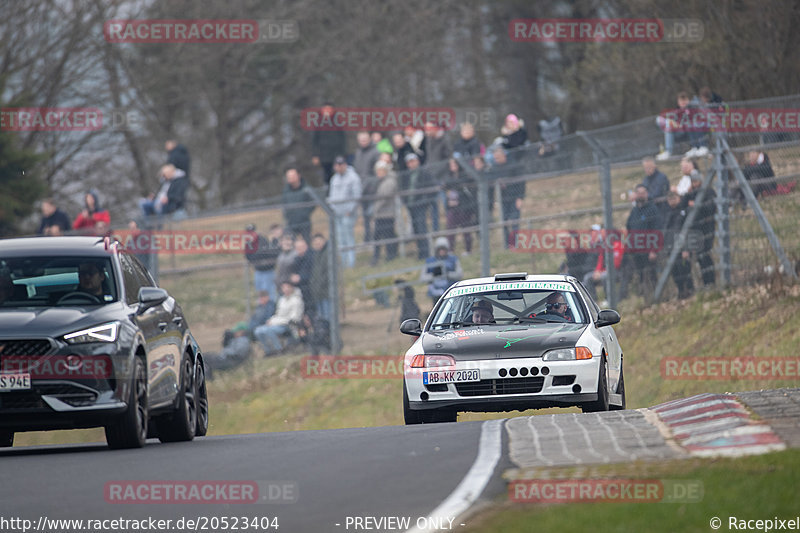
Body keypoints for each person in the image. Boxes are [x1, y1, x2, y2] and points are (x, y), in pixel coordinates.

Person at [621, 184, 661, 300]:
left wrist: (653, 250)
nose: (641, 195)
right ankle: (643, 295)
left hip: (648, 249)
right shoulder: (635, 211)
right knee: (640, 274)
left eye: (643, 192)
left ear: (647, 194)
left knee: (651, 273)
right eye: (639, 193)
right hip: (636, 250)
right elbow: (629, 227)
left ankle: (656, 294)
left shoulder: (652, 209)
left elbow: (656, 231)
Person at [328, 155, 362, 268]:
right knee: (340, 238)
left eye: (341, 164)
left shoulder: (353, 178)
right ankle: (343, 262)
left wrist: (350, 209)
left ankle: (351, 262)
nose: (339, 167)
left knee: (348, 237)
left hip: (348, 213)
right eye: (337, 165)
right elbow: (332, 195)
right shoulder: (334, 179)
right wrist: (332, 209)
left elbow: (357, 195)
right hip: (337, 214)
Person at [401, 152, 437, 259]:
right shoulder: (406, 175)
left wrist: (424, 201)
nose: (410, 164)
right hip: (411, 206)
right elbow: (404, 189)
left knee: (422, 229)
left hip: (421, 206)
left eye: (412, 161)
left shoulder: (424, 173)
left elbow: (432, 189)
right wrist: (406, 202)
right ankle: (421, 252)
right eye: (408, 162)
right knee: (416, 230)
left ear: (417, 161)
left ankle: (425, 252)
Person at [254, 281, 304, 356]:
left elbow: (294, 318)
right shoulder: (282, 299)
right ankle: (268, 351)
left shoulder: (296, 300)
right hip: (278, 323)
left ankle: (279, 350)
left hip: (289, 325)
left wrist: (275, 322)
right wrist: (271, 320)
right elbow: (278, 314)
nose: (285, 289)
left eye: (287, 287)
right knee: (258, 331)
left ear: (291, 288)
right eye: (283, 287)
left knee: (268, 330)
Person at [488, 147, 525, 248]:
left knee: (514, 221)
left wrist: (520, 198)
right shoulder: (495, 168)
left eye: (498, 158)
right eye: (495, 158)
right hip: (503, 199)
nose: (497, 160)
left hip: (514, 198)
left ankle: (516, 244)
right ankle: (506, 244)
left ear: (504, 155)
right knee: (504, 222)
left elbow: (521, 182)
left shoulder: (513, 165)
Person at [656, 91, 708, 160]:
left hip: (692, 129)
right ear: (678, 102)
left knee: (692, 124)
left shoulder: (692, 107)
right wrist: (674, 124)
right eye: (681, 101)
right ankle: (668, 152)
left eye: (685, 101)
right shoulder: (677, 111)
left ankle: (702, 147)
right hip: (681, 131)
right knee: (666, 126)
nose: (683, 103)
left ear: (688, 101)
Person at [685, 173, 716, 287]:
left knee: (706, 254)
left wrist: (698, 205)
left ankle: (711, 281)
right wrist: (687, 194)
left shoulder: (708, 192)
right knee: (699, 256)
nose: (694, 184)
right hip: (696, 229)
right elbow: (683, 204)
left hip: (707, 227)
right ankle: (705, 282)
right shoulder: (692, 193)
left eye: (696, 181)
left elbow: (711, 207)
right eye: (692, 182)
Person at [663, 191, 694, 299]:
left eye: (674, 198)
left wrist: (686, 248)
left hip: (682, 247)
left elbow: (687, 230)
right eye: (670, 199)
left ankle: (690, 290)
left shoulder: (684, 211)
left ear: (679, 198)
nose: (672, 201)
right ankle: (680, 291)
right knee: (675, 271)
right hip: (671, 247)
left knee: (685, 268)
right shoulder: (667, 214)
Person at [443, 158, 476, 254]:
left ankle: (468, 250)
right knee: (450, 229)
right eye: (451, 165)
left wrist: (454, 187)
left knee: (466, 230)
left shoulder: (465, 175)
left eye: (454, 164)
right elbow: (446, 185)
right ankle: (450, 250)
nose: (453, 166)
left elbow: (463, 185)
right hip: (453, 208)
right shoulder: (449, 176)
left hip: (464, 208)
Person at [353, 131, 381, 242]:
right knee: (365, 216)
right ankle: (367, 236)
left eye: (364, 139)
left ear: (369, 139)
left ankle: (377, 237)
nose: (363, 142)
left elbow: (377, 172)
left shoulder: (375, 152)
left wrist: (372, 184)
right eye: (360, 140)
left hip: (372, 190)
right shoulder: (358, 152)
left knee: (373, 214)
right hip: (361, 190)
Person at [245, 224, 282, 302]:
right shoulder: (248, 243)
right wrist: (256, 257)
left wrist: (257, 255)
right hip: (258, 271)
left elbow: (267, 252)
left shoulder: (262, 239)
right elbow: (248, 256)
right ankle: (262, 308)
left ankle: (271, 307)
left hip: (268, 271)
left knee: (270, 292)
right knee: (260, 292)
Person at [371, 160, 399, 264]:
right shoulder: (380, 181)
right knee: (377, 236)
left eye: (380, 171)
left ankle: (391, 255)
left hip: (387, 214)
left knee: (388, 236)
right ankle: (376, 256)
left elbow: (384, 197)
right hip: (380, 215)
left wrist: (375, 208)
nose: (378, 173)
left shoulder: (390, 181)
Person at [311, 103, 346, 184]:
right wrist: (315, 155)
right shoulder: (318, 123)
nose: (327, 112)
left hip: (336, 155)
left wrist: (343, 154)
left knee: (338, 175)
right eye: (325, 110)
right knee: (326, 177)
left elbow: (343, 139)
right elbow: (314, 141)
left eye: (329, 109)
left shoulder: (338, 122)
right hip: (324, 156)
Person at [421, 237, 463, 304]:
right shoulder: (430, 261)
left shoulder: (453, 259)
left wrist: (447, 274)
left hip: (450, 291)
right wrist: (434, 275)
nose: (442, 251)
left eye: (444, 249)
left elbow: (460, 274)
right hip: (435, 292)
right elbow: (423, 278)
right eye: (439, 249)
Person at [281, 167, 315, 244]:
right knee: (289, 242)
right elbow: (284, 204)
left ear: (298, 176)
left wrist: (305, 214)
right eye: (289, 177)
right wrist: (287, 215)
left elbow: (312, 203)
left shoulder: (306, 188)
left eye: (293, 176)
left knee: (307, 243)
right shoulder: (286, 190)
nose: (291, 178)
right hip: (291, 222)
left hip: (304, 222)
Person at [309, 233, 331, 322]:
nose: (317, 244)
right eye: (315, 243)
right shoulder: (316, 254)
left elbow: (328, 272)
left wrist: (321, 283)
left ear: (324, 241)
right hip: (317, 291)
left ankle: (330, 329)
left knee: (327, 314)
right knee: (321, 315)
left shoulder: (328, 253)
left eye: (319, 242)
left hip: (326, 290)